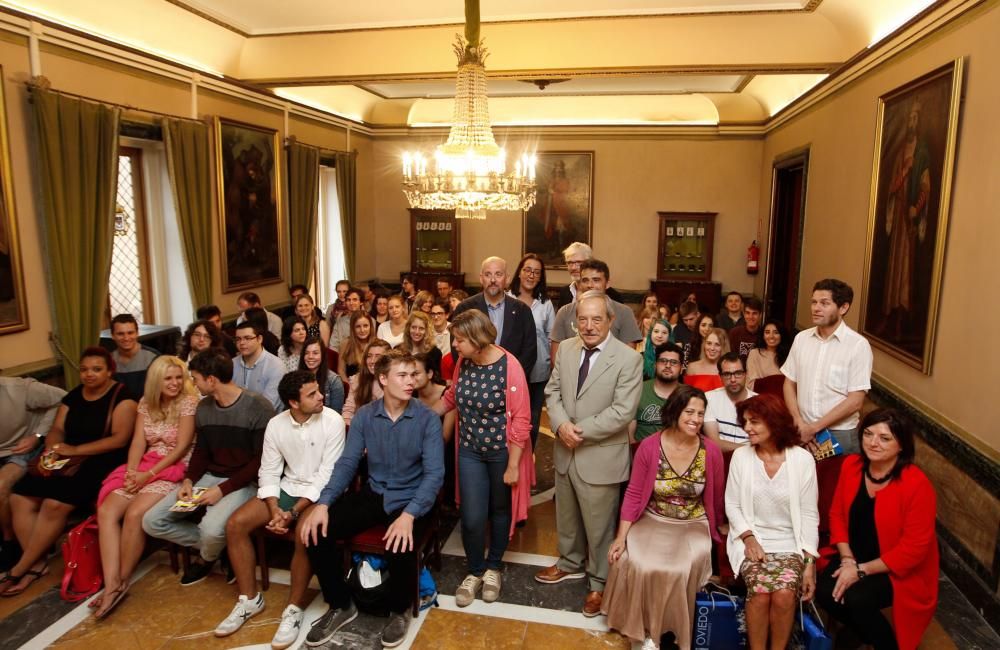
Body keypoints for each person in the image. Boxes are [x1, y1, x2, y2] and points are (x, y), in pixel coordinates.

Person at [299, 350, 444, 648]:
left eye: (412, 375)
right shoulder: (366, 415)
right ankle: (340, 604)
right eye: (402, 375)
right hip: (375, 492)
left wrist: (409, 515)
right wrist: (323, 504)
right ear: (382, 379)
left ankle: (399, 609)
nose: (410, 381)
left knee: (400, 540)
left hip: (412, 497)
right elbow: (348, 463)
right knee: (316, 532)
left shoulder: (427, 418)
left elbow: (434, 476)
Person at [217, 371, 346, 647]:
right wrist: (275, 508)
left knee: (305, 534)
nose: (321, 396)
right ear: (293, 403)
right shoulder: (276, 425)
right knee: (234, 525)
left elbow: (327, 475)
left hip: (322, 492)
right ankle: (250, 600)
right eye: (312, 394)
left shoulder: (332, 420)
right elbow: (270, 471)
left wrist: (293, 513)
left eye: (318, 390)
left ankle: (293, 609)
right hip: (289, 487)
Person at [537, 290, 643, 616]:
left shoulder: (629, 359)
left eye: (597, 318)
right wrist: (559, 424)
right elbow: (552, 391)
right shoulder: (567, 350)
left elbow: (623, 411)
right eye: (583, 319)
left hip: (599, 455)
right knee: (566, 516)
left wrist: (576, 430)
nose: (589, 325)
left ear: (611, 321)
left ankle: (599, 583)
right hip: (566, 452)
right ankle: (569, 561)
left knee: (599, 528)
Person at [3, 348, 137, 597]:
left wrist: (76, 449)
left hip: (102, 460)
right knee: (18, 497)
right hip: (66, 457)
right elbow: (57, 429)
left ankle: (20, 567)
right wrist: (52, 448)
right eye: (84, 369)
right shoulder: (74, 397)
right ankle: (37, 563)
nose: (89, 374)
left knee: (53, 504)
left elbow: (119, 440)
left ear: (110, 371)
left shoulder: (123, 397)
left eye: (96, 369)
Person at [603, 385, 726, 650]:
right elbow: (635, 493)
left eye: (700, 414)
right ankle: (643, 629)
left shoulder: (711, 452)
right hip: (653, 518)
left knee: (680, 567)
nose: (695, 419)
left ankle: (667, 629)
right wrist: (621, 537)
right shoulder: (649, 446)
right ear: (675, 411)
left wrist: (720, 530)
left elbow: (716, 497)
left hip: (693, 523)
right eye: (689, 411)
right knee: (639, 561)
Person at [142, 349, 274, 586]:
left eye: (195, 378)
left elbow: (261, 463)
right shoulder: (204, 409)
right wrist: (189, 481)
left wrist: (222, 490)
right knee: (152, 521)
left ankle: (206, 558)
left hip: (245, 483)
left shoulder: (258, 407)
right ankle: (225, 548)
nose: (193, 384)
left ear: (211, 380)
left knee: (212, 530)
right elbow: (202, 451)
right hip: (209, 477)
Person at [433, 310, 534, 607]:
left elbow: (522, 420)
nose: (454, 345)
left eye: (460, 339)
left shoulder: (509, 365)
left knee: (499, 510)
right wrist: (422, 414)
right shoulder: (464, 362)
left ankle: (493, 568)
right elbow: (452, 398)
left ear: (477, 340)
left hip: (502, 452)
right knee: (472, 516)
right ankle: (475, 570)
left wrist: (513, 464)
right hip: (470, 451)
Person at [816, 408, 938, 650]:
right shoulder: (851, 466)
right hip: (853, 555)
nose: (873, 443)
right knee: (824, 592)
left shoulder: (917, 484)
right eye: (868, 434)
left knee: (857, 598)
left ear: (901, 444)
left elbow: (913, 550)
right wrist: (848, 559)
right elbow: (837, 516)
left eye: (885, 438)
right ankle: (863, 632)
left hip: (894, 567)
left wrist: (860, 570)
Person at [92, 356, 198, 618]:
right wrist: (131, 471)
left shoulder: (189, 401)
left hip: (174, 466)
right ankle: (111, 579)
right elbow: (138, 442)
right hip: (145, 463)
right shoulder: (145, 402)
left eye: (178, 377)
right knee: (107, 511)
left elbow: (183, 446)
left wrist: (148, 474)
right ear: (156, 381)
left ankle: (120, 583)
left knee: (135, 513)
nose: (174, 383)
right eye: (168, 378)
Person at [725, 394, 819, 650]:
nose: (747, 428)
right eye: (744, 422)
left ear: (774, 421)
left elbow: (810, 514)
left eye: (754, 422)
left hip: (791, 542)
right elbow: (732, 504)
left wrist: (809, 563)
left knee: (785, 594)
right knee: (759, 592)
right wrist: (748, 537)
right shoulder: (741, 457)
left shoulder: (802, 460)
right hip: (752, 539)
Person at [782, 279, 872, 455]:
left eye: (824, 303)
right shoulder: (801, 338)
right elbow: (789, 383)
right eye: (814, 302)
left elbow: (855, 401)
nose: (816, 308)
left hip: (838, 434)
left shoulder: (857, 345)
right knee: (801, 478)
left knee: (829, 480)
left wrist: (814, 428)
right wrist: (799, 423)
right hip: (801, 428)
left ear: (843, 308)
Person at [878, 100, 932, 341]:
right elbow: (892, 186)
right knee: (893, 270)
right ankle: (890, 313)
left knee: (906, 271)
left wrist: (916, 208)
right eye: (908, 119)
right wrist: (904, 172)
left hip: (909, 219)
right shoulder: (901, 153)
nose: (911, 123)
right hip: (897, 217)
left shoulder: (922, 154)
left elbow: (926, 187)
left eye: (914, 119)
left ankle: (903, 317)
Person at [0, 377, 65, 571]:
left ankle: (10, 540)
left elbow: (63, 398)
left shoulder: (19, 388)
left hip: (24, 449)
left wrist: (38, 435)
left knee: (1, 485)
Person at [451, 256, 538, 377]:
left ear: (507, 278)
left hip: (511, 381)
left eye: (498, 274)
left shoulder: (522, 310)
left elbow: (530, 351)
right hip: (474, 380)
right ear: (481, 279)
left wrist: (512, 377)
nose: (493, 280)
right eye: (487, 274)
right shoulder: (465, 308)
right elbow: (457, 350)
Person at [509, 253, 556, 449]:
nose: (531, 275)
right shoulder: (506, 298)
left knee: (532, 417)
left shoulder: (545, 304)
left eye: (536, 272)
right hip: (509, 371)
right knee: (510, 415)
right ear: (519, 272)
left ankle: (529, 457)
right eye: (527, 270)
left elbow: (552, 337)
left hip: (537, 372)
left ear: (540, 277)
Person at [550, 259, 642, 356]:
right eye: (585, 280)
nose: (590, 285)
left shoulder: (624, 312)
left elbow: (628, 357)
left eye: (596, 280)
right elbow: (556, 359)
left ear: (607, 284)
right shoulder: (565, 312)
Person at [630, 342, 683, 445]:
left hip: (677, 455)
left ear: (681, 368)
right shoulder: (638, 389)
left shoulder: (689, 395)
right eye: (663, 361)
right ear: (655, 365)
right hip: (642, 453)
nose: (668, 365)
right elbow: (630, 435)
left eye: (673, 362)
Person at [703, 352, 757, 451]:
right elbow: (714, 442)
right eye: (727, 374)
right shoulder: (709, 398)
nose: (733, 379)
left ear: (745, 374)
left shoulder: (758, 402)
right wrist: (749, 450)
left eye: (738, 373)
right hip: (721, 458)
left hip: (751, 461)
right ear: (720, 376)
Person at [232, 321, 284, 412]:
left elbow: (268, 407)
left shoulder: (276, 366)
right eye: (238, 339)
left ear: (259, 339)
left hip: (266, 422)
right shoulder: (232, 364)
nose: (242, 343)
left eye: (247, 338)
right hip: (235, 419)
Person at [556, 242, 624, 309]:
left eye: (579, 262)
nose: (573, 268)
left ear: (589, 262)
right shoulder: (564, 291)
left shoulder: (613, 295)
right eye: (570, 263)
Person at [341, 338, 390, 426]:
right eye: (369, 356)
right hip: (360, 428)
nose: (372, 361)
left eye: (378, 356)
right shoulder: (358, 379)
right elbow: (348, 411)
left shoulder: (393, 382)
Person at [110, 313, 159, 398]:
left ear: (137, 333)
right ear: (113, 336)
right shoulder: (108, 360)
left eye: (130, 333)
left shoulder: (154, 358)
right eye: (120, 334)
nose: (126, 338)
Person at [299, 337, 346, 414]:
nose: (310, 356)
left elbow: (335, 415)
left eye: (315, 353)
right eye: (306, 353)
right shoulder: (296, 378)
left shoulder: (334, 380)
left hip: (325, 423)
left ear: (322, 355)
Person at [746, 319, 791, 394]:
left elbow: (792, 385)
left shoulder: (789, 355)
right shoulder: (754, 353)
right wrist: (779, 380)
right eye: (767, 332)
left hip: (783, 401)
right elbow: (751, 384)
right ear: (763, 336)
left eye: (776, 332)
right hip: (760, 399)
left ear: (782, 335)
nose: (771, 336)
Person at [683, 327, 729, 392]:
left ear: (723, 347)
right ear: (704, 345)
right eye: (709, 343)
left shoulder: (729, 369)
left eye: (717, 344)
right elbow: (686, 396)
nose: (712, 348)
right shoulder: (692, 367)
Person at [338, 310, 374, 383]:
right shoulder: (345, 344)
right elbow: (341, 370)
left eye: (365, 326)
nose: (362, 330)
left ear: (371, 326)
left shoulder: (376, 344)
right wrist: (349, 387)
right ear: (353, 328)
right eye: (358, 326)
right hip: (351, 387)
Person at [728, 296, 764, 362]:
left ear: (760, 315)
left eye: (754, 313)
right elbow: (731, 357)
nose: (751, 317)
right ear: (744, 314)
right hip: (739, 370)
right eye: (748, 313)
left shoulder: (764, 334)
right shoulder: (734, 333)